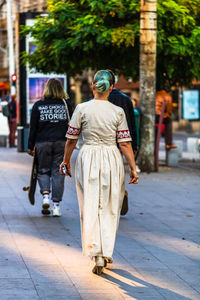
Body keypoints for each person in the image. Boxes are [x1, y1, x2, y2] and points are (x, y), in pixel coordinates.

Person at [60, 70, 139, 275]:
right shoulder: (117, 112)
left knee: (90, 204)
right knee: (111, 205)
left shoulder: (82, 109)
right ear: (111, 88)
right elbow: (125, 143)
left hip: (88, 157)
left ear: (93, 86)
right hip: (112, 157)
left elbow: (71, 139)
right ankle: (106, 252)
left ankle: (96, 253)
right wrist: (133, 167)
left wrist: (66, 161)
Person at [28, 78, 73, 216]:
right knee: (59, 172)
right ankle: (56, 206)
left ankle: (46, 197)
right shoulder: (66, 105)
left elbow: (33, 128)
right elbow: (72, 126)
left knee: (43, 170)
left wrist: (30, 146)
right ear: (61, 89)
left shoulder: (38, 105)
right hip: (61, 142)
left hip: (43, 143)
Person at [107, 70, 138, 214]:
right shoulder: (125, 99)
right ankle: (120, 191)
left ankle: (110, 198)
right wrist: (135, 145)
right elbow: (132, 123)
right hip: (122, 142)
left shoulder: (97, 99)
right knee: (118, 171)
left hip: (103, 142)